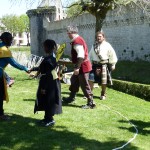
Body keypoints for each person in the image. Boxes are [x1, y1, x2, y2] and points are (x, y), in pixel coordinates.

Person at [29, 39, 62, 127]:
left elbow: (47, 73)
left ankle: (50, 119)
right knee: (45, 99)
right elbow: (41, 68)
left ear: (48, 47)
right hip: (48, 80)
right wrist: (32, 69)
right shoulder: (49, 58)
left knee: (49, 100)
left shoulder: (50, 59)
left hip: (49, 82)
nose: (43, 48)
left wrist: (44, 87)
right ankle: (46, 118)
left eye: (44, 46)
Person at [62, 25, 96, 109]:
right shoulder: (77, 40)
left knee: (84, 84)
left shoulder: (77, 41)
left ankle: (91, 102)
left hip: (83, 66)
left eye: (68, 33)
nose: (68, 35)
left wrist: (77, 67)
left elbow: (81, 55)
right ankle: (71, 97)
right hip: (81, 65)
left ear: (72, 32)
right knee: (74, 80)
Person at [0, 32, 29, 121]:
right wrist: (25, 68)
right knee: (0, 95)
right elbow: (14, 63)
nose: (11, 41)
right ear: (5, 40)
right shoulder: (4, 50)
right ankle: (0, 115)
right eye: (10, 39)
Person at [89, 31, 118, 100]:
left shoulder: (107, 45)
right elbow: (90, 56)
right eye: (97, 37)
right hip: (95, 65)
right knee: (90, 79)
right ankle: (89, 93)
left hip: (104, 65)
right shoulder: (94, 46)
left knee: (103, 81)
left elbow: (112, 55)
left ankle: (103, 94)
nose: (98, 38)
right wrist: (88, 64)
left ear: (103, 37)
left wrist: (113, 64)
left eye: (100, 36)